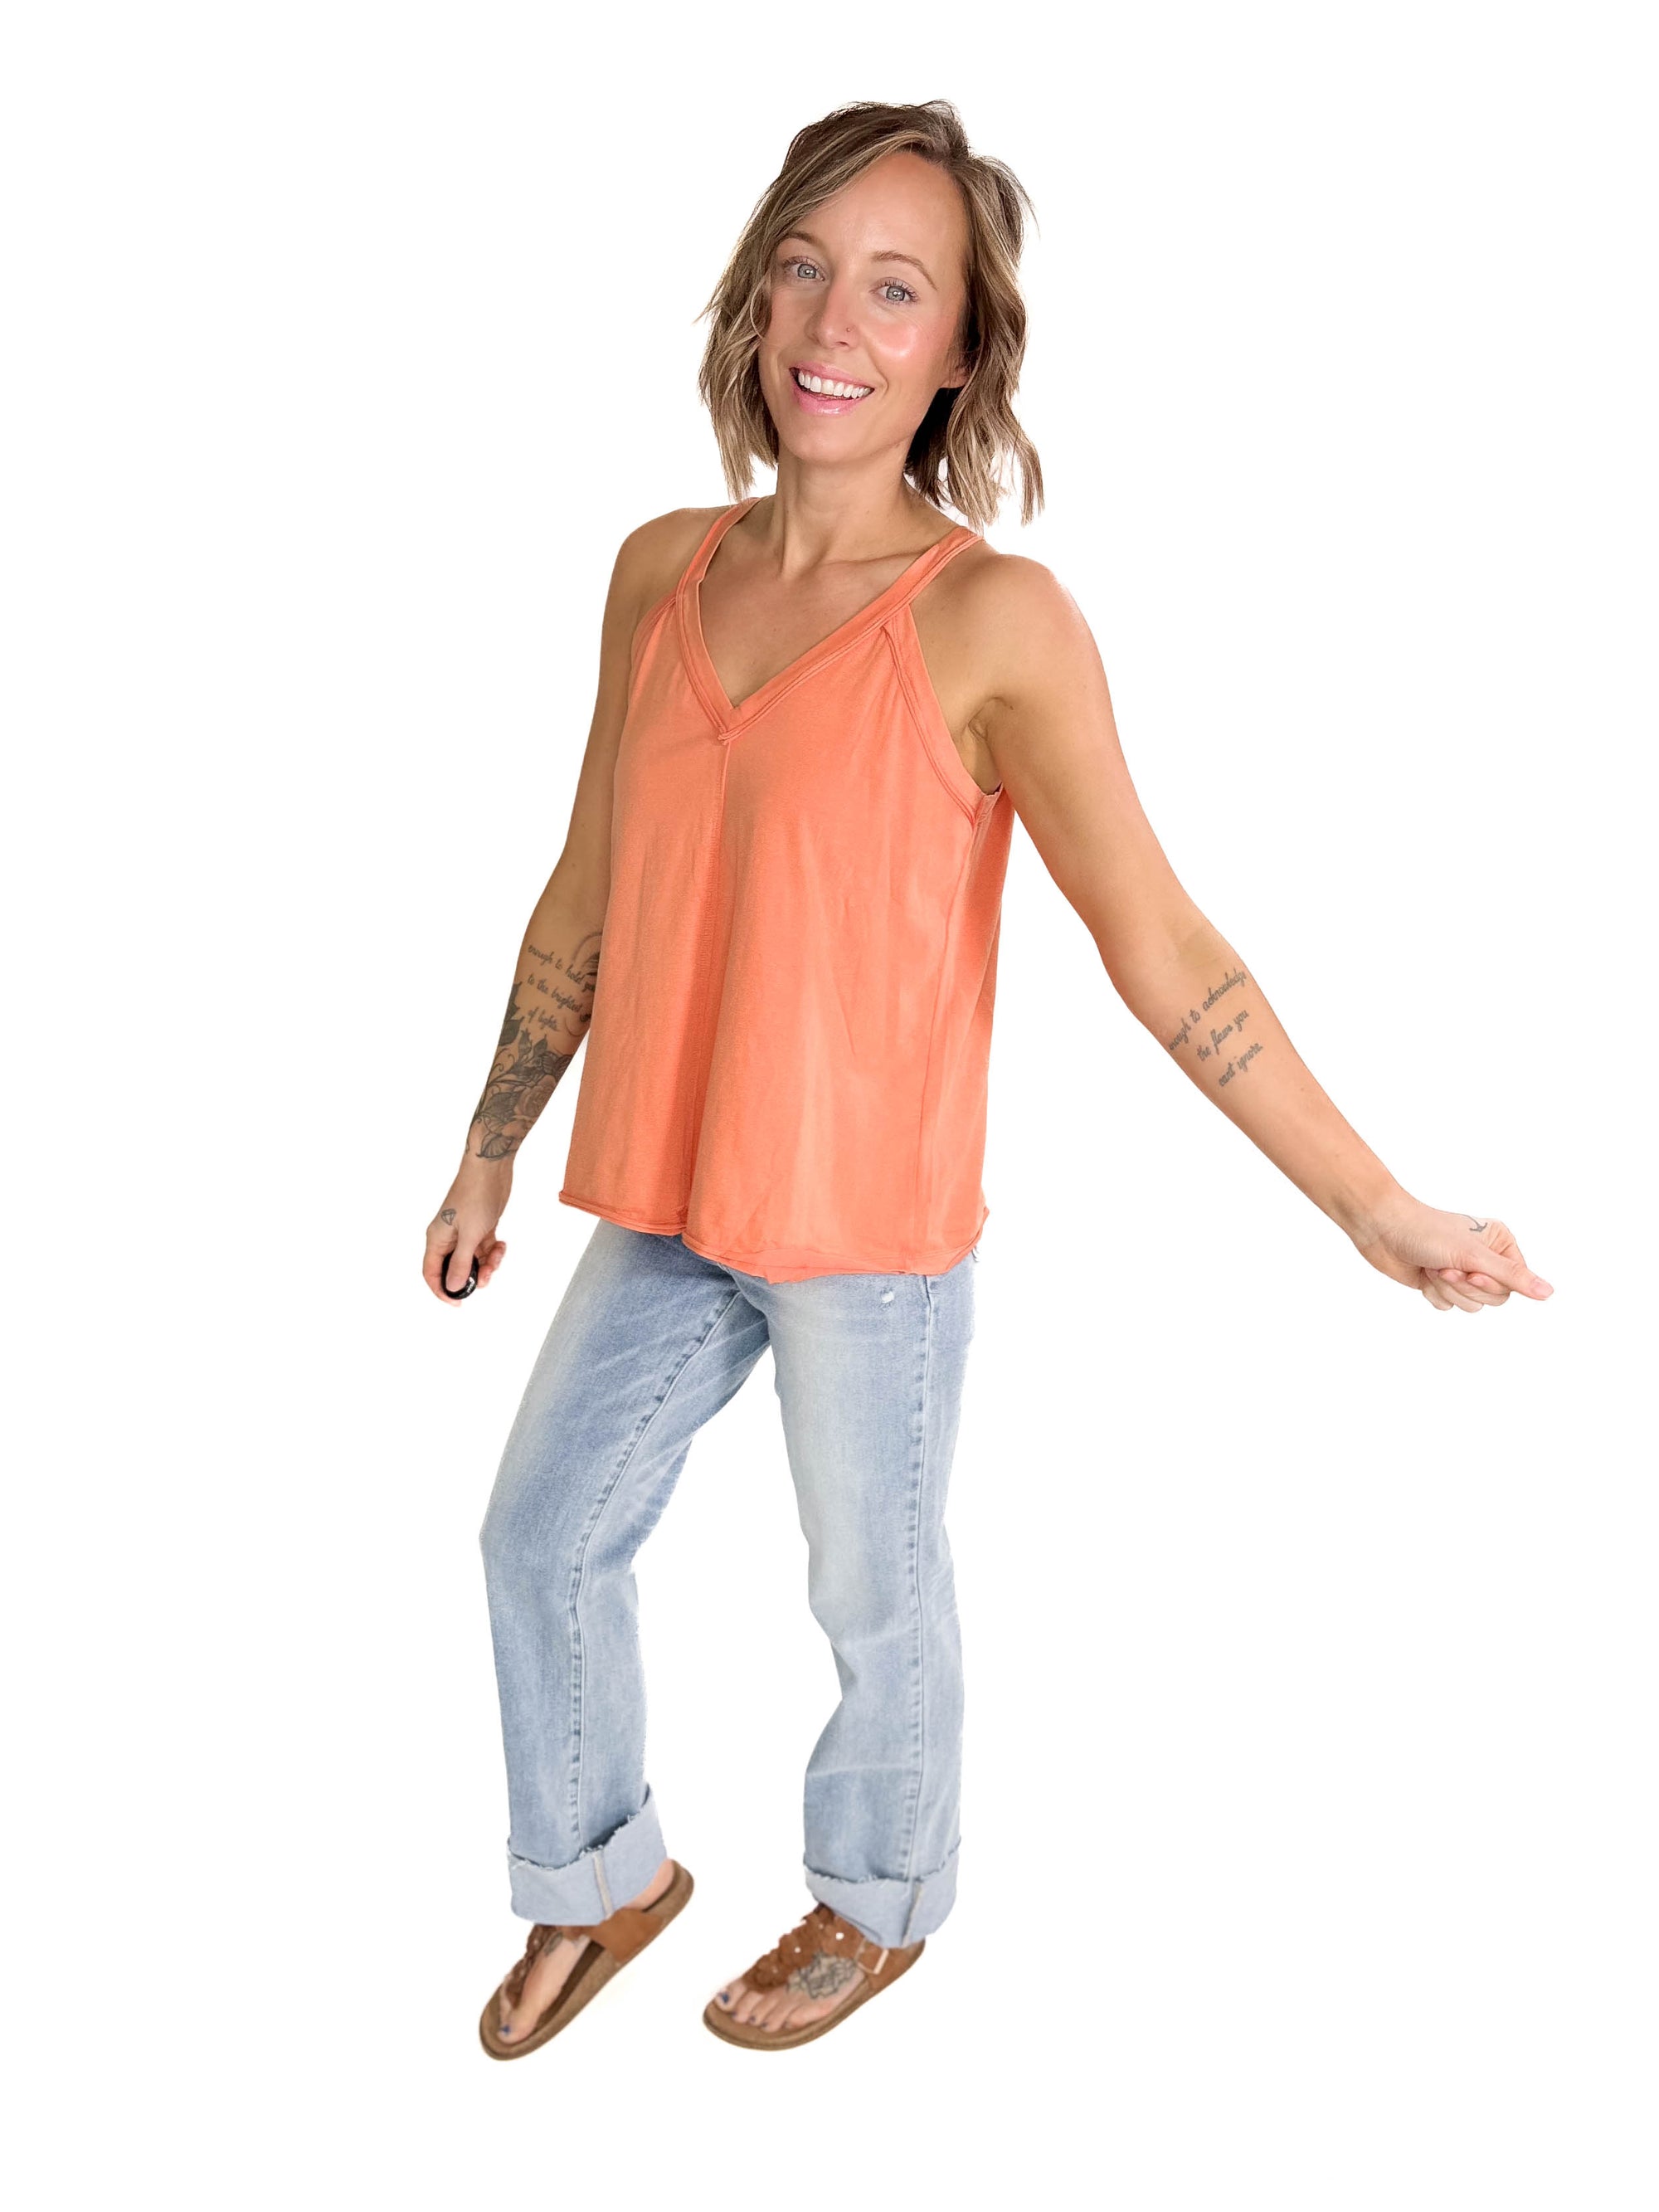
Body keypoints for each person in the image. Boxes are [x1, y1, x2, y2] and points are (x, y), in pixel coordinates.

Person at [425, 98, 1554, 2059]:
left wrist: (1377, 1207)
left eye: (895, 289)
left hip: (868, 1228)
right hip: (671, 1193)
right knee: (539, 1532)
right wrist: (487, 1146)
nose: (830, 324)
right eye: (802, 268)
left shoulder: (991, 619)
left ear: (959, 347)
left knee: (872, 1593)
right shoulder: (656, 571)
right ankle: (601, 1876)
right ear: (752, 295)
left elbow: (1165, 945)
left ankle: (877, 1900)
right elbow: (585, 880)